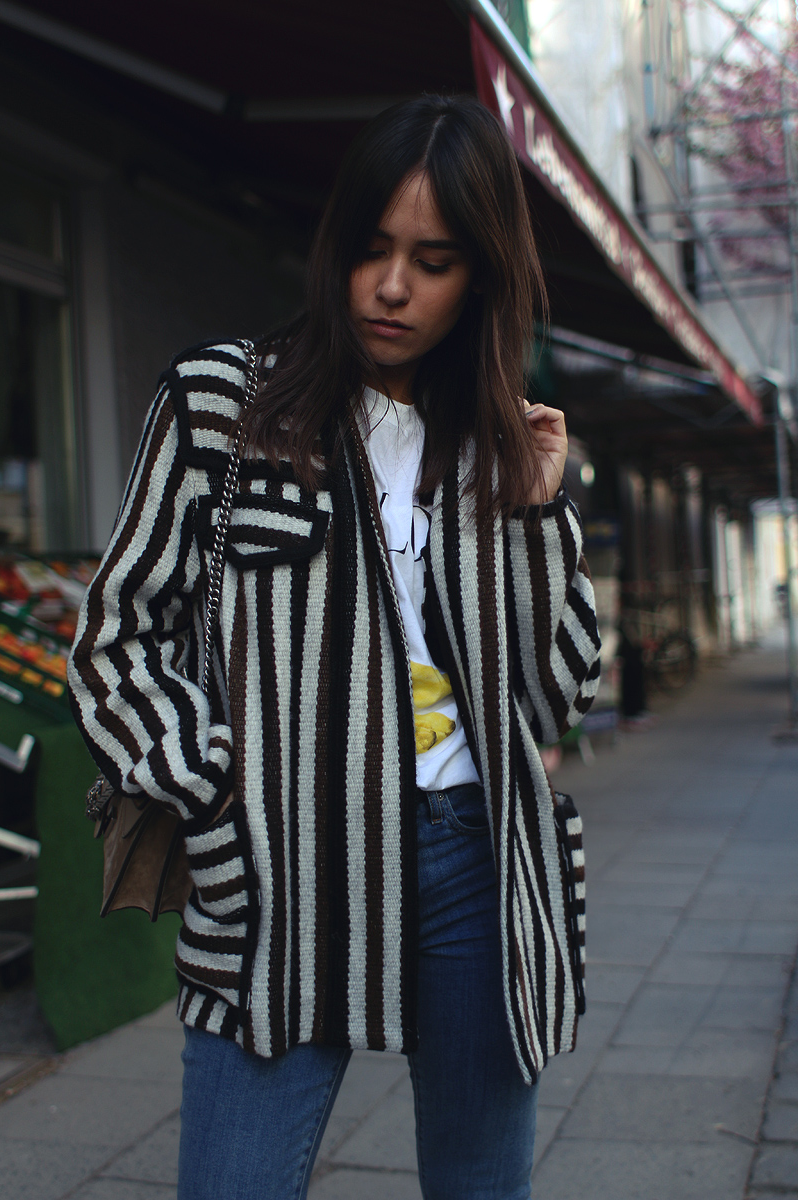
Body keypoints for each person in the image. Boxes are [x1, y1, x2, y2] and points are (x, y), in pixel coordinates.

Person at [68, 94, 601, 1200]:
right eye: (369, 249)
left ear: (482, 277)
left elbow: (559, 694)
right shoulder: (224, 403)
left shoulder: (495, 446)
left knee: (478, 1186)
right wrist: (210, 799)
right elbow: (117, 638)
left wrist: (541, 514)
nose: (392, 287)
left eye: (433, 260)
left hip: (472, 860)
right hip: (277, 867)